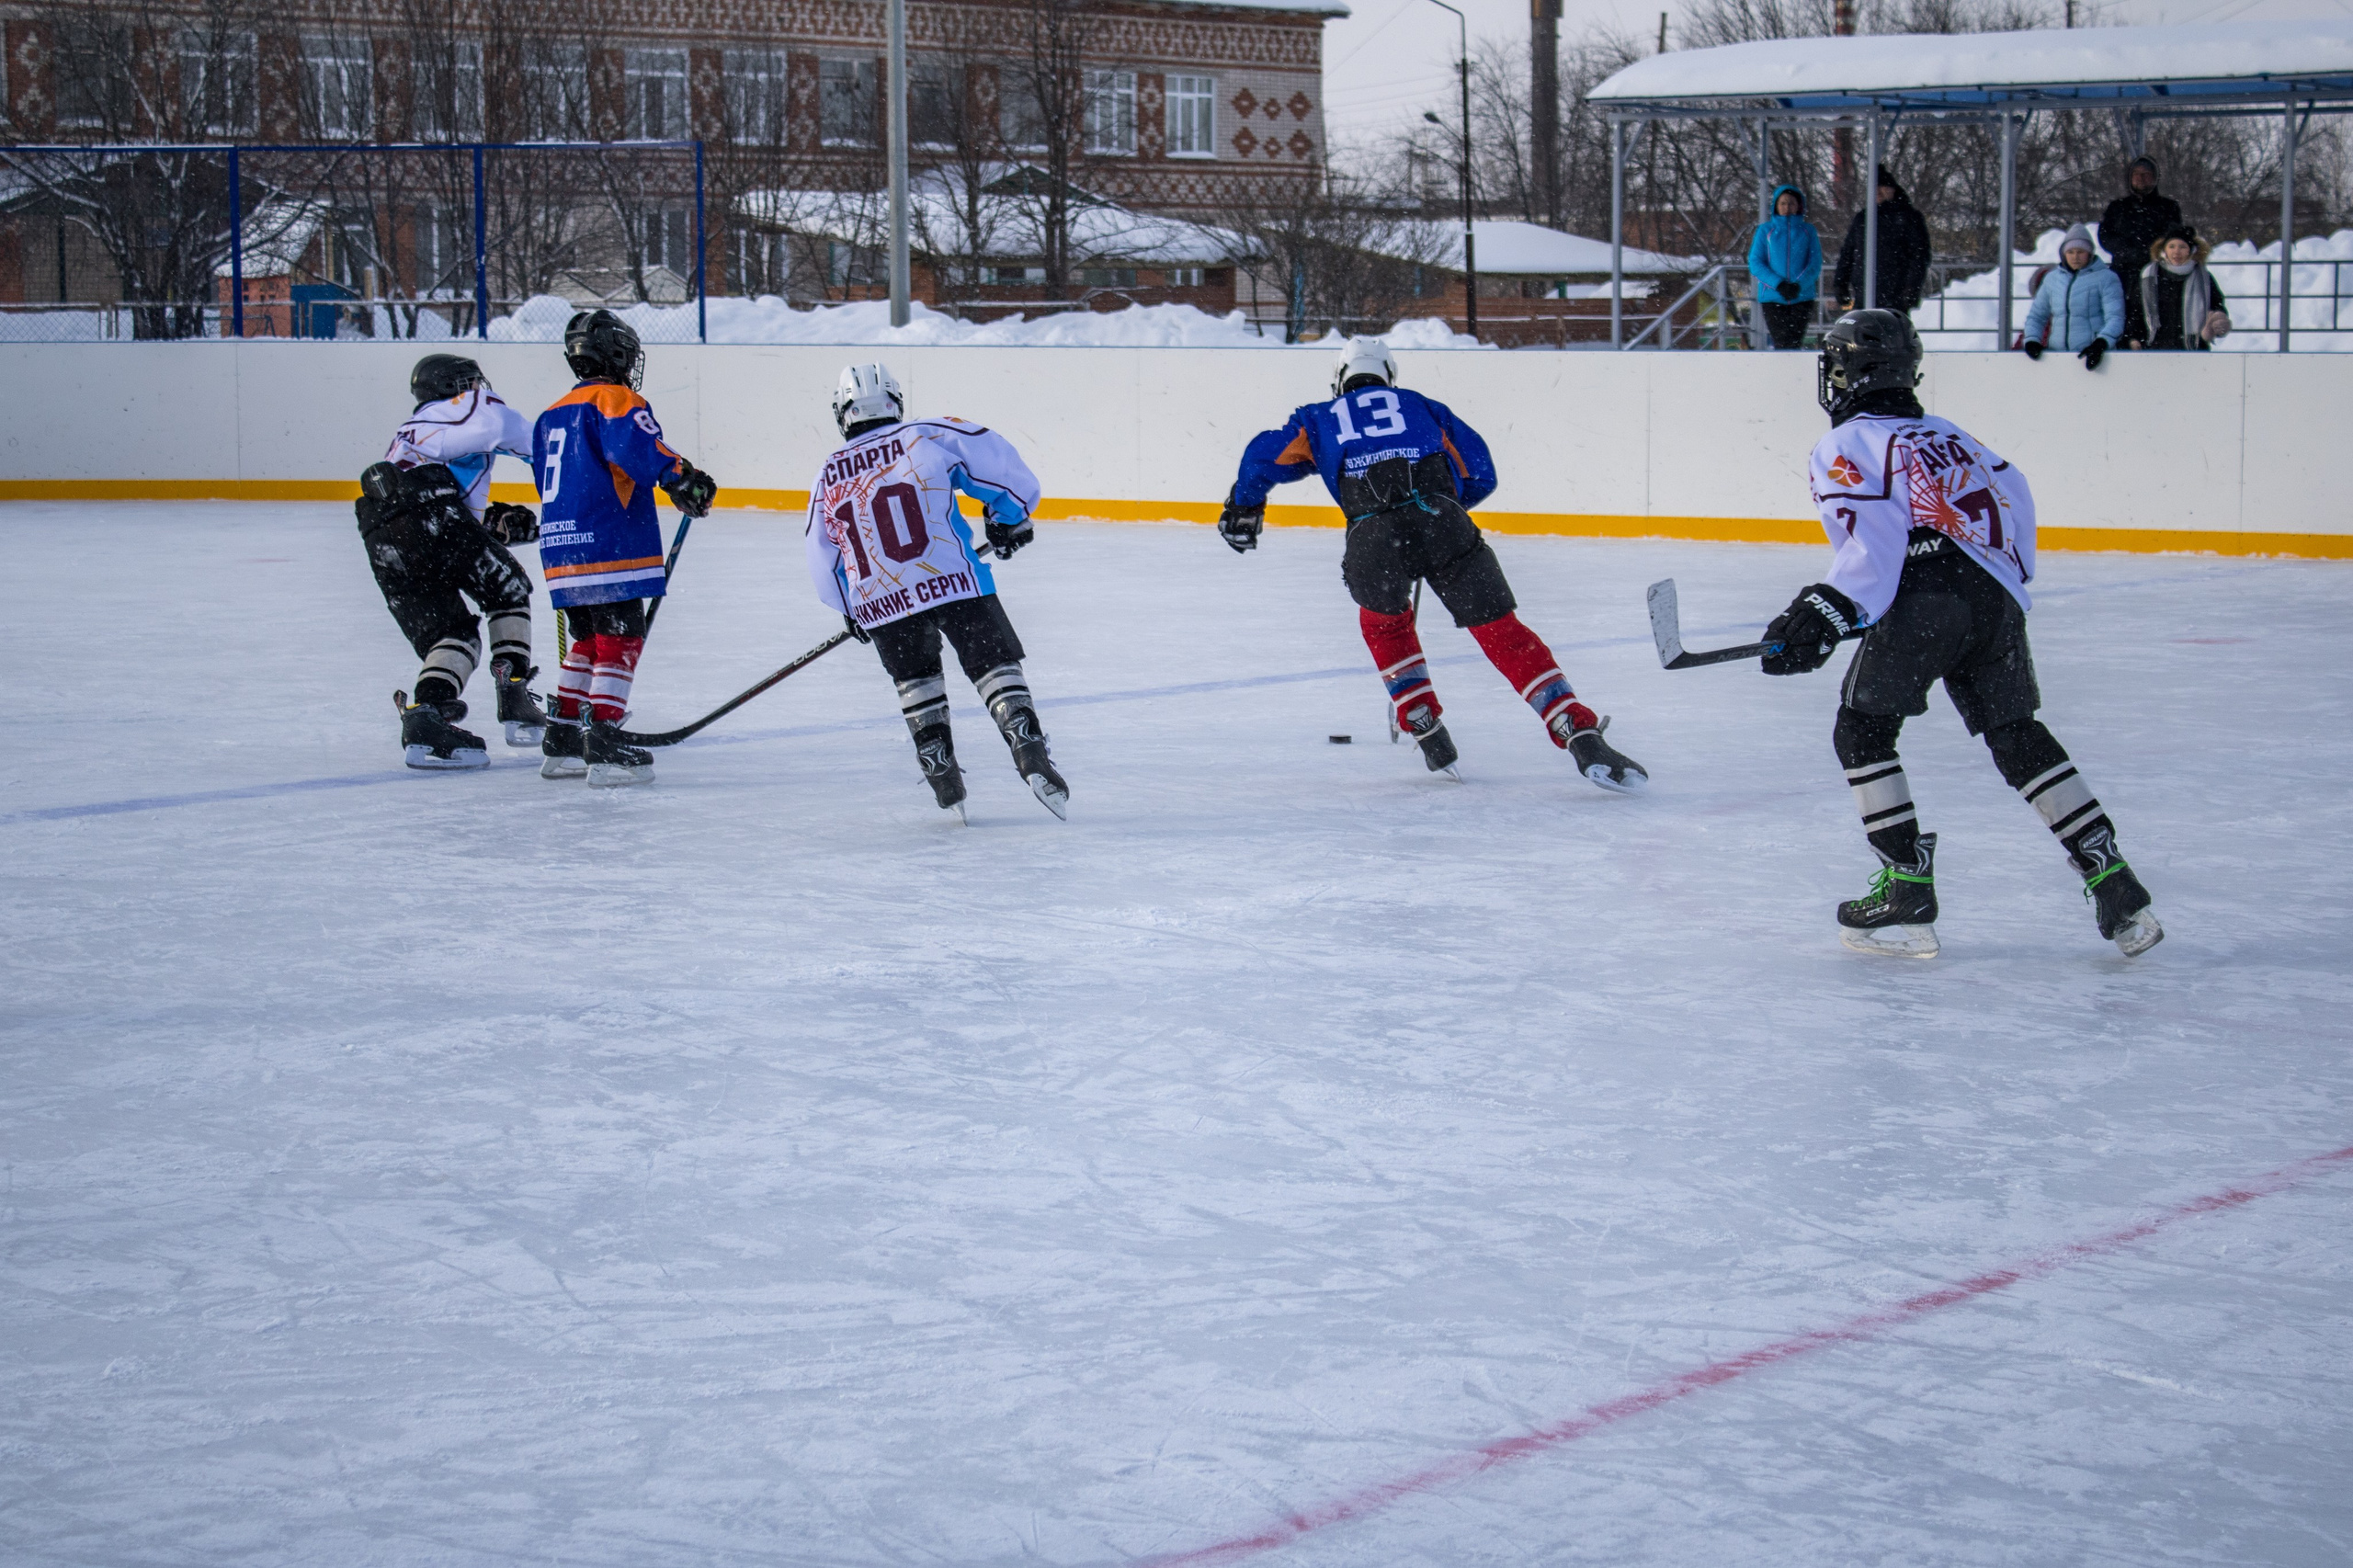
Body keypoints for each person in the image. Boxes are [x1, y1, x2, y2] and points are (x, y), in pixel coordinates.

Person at [1759, 308, 2161, 960]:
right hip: (1996, 596)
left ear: (1845, 372)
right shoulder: (1953, 436)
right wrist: (1995, 587)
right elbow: (2016, 500)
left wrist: (1822, 612)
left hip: (1928, 598)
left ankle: (1906, 888)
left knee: (1861, 728)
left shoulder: (1850, 442)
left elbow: (1875, 548)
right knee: (2016, 733)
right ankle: (2112, 878)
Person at [1218, 338, 1647, 792]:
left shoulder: (1318, 417)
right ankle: (1574, 728)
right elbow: (1481, 471)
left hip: (1371, 537)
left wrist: (1245, 507)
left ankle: (1421, 717)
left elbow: (1262, 457)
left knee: (1386, 626)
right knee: (1504, 635)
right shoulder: (1419, 405)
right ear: (1389, 376)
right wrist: (1440, 508)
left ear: (1339, 379)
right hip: (1443, 522)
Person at [804, 362, 1068, 822]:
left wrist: (851, 608)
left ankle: (942, 775)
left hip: (880, 600)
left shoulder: (827, 473)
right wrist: (1007, 519)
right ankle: (1027, 747)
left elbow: (821, 556)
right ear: (895, 401)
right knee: (992, 663)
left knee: (917, 680)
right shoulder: (927, 434)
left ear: (842, 414)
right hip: (954, 579)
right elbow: (1003, 471)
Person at [529, 309, 718, 788]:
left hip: (562, 549)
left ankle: (565, 735)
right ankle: (606, 739)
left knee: (589, 642)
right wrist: (682, 478)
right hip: (607, 544)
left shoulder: (550, 413)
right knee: (619, 640)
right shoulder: (614, 399)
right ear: (614, 352)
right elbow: (638, 447)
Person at [357, 353, 547, 769]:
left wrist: (487, 525)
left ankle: (426, 720)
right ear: (462, 384)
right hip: (432, 513)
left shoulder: (408, 432)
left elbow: (432, 504)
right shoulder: (476, 403)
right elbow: (541, 446)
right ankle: (514, 694)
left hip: (382, 532)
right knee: (508, 591)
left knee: (454, 634)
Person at [2098, 156, 2183, 344]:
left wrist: (2148, 252)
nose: (2141, 179)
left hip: (2156, 273)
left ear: (2155, 178)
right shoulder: (2117, 208)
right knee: (2122, 315)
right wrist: (2127, 252)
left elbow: (2172, 236)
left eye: (2146, 175)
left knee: (2154, 316)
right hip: (2123, 274)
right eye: (2136, 175)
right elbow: (2106, 237)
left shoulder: (2168, 208)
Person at [2018, 223, 2123, 369]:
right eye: (2071, 252)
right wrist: (2032, 340)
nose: (2075, 257)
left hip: (2093, 357)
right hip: (2057, 357)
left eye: (2080, 251)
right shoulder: (2051, 279)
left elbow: (2115, 317)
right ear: (2063, 254)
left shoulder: (2106, 278)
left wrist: (2101, 343)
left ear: (2090, 253)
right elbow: (2037, 316)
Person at [1832, 166, 1932, 315]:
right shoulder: (1862, 218)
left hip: (1895, 294)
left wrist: (1912, 288)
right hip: (1863, 294)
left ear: (1893, 189)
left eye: (1882, 186)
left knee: (1890, 334)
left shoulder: (1909, 218)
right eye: (1875, 187)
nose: (1878, 191)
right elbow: (1848, 252)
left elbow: (1919, 256)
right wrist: (1840, 284)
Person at [2133, 224, 2231, 352]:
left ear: (2191, 250)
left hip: (2194, 349)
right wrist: (2134, 337)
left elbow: (2217, 305)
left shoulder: (2204, 278)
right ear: (2164, 250)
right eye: (2172, 246)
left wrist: (2217, 321)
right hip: (2155, 347)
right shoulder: (2149, 276)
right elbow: (2135, 309)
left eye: (2182, 247)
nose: (2176, 251)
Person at [1749, 184, 1823, 350]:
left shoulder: (1808, 231)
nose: (1787, 207)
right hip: (1773, 296)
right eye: (1782, 203)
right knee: (1781, 341)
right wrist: (1778, 284)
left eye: (1791, 203)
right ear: (1775, 205)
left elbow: (1814, 263)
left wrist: (1799, 285)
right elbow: (1756, 262)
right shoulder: (1765, 230)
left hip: (1802, 296)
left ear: (1799, 206)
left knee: (1795, 342)